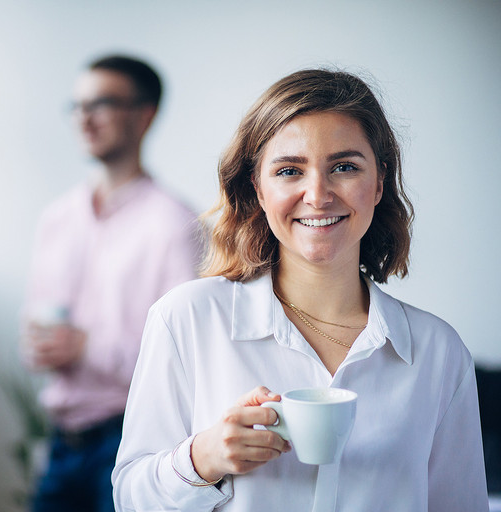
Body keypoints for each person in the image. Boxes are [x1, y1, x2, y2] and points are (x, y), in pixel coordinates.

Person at [112, 69, 489, 511]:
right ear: (257, 188)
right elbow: (130, 497)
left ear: (380, 182)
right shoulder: (187, 319)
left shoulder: (438, 352)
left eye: (344, 167)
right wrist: (203, 458)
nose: (317, 194)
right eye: (290, 170)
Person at [22, 55, 202, 511]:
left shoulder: (176, 225)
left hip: (132, 439)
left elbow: (184, 356)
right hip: (62, 441)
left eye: (102, 103)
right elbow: (36, 328)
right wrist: (39, 347)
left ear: (144, 115)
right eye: (78, 105)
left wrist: (87, 349)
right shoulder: (56, 218)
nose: (85, 117)